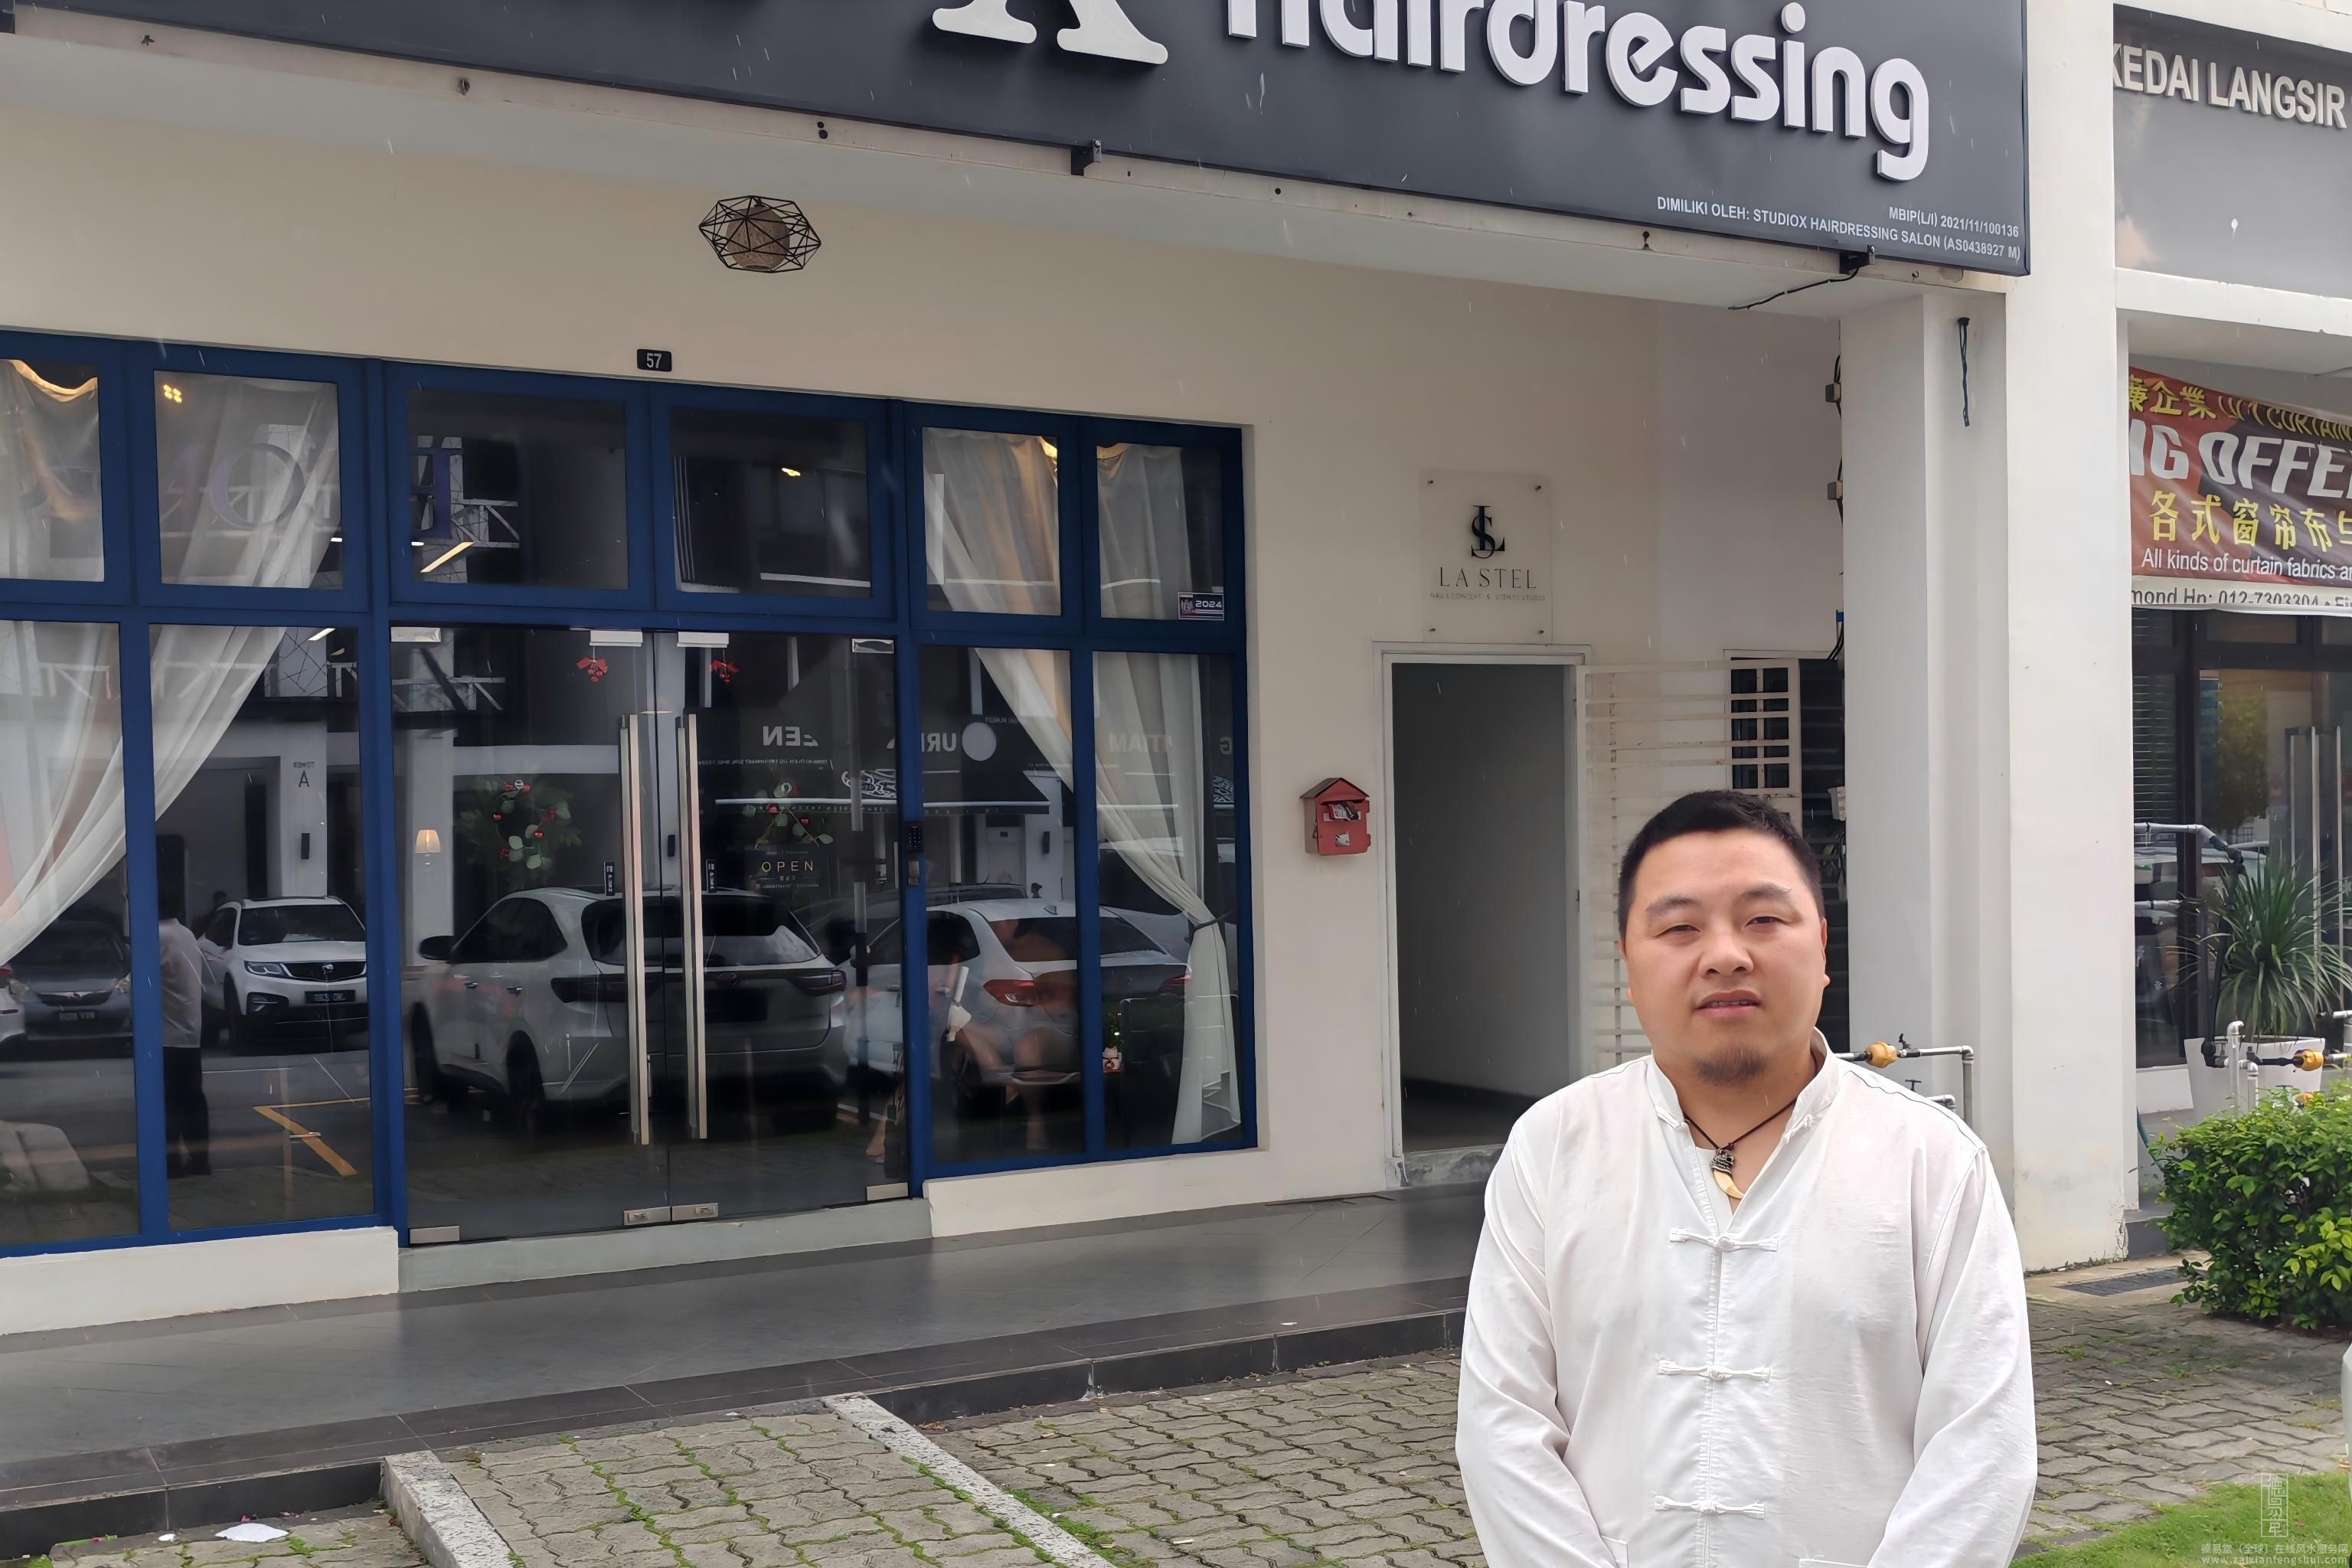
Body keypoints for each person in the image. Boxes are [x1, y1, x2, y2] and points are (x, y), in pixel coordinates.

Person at [1455, 791, 2035, 1567]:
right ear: (1629, 962)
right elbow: (1502, 1423)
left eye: (1763, 918)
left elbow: (1983, 1447)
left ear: (1821, 945)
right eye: (1680, 927)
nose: (1725, 954)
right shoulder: (1555, 1146)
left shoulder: (1932, 1160)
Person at [158, 904, 210, 1177]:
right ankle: (200, 1160)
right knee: (192, 1100)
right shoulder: (185, 934)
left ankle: (171, 1162)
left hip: (167, 1034)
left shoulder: (158, 936)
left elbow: (140, 981)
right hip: (190, 1030)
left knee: (168, 1102)